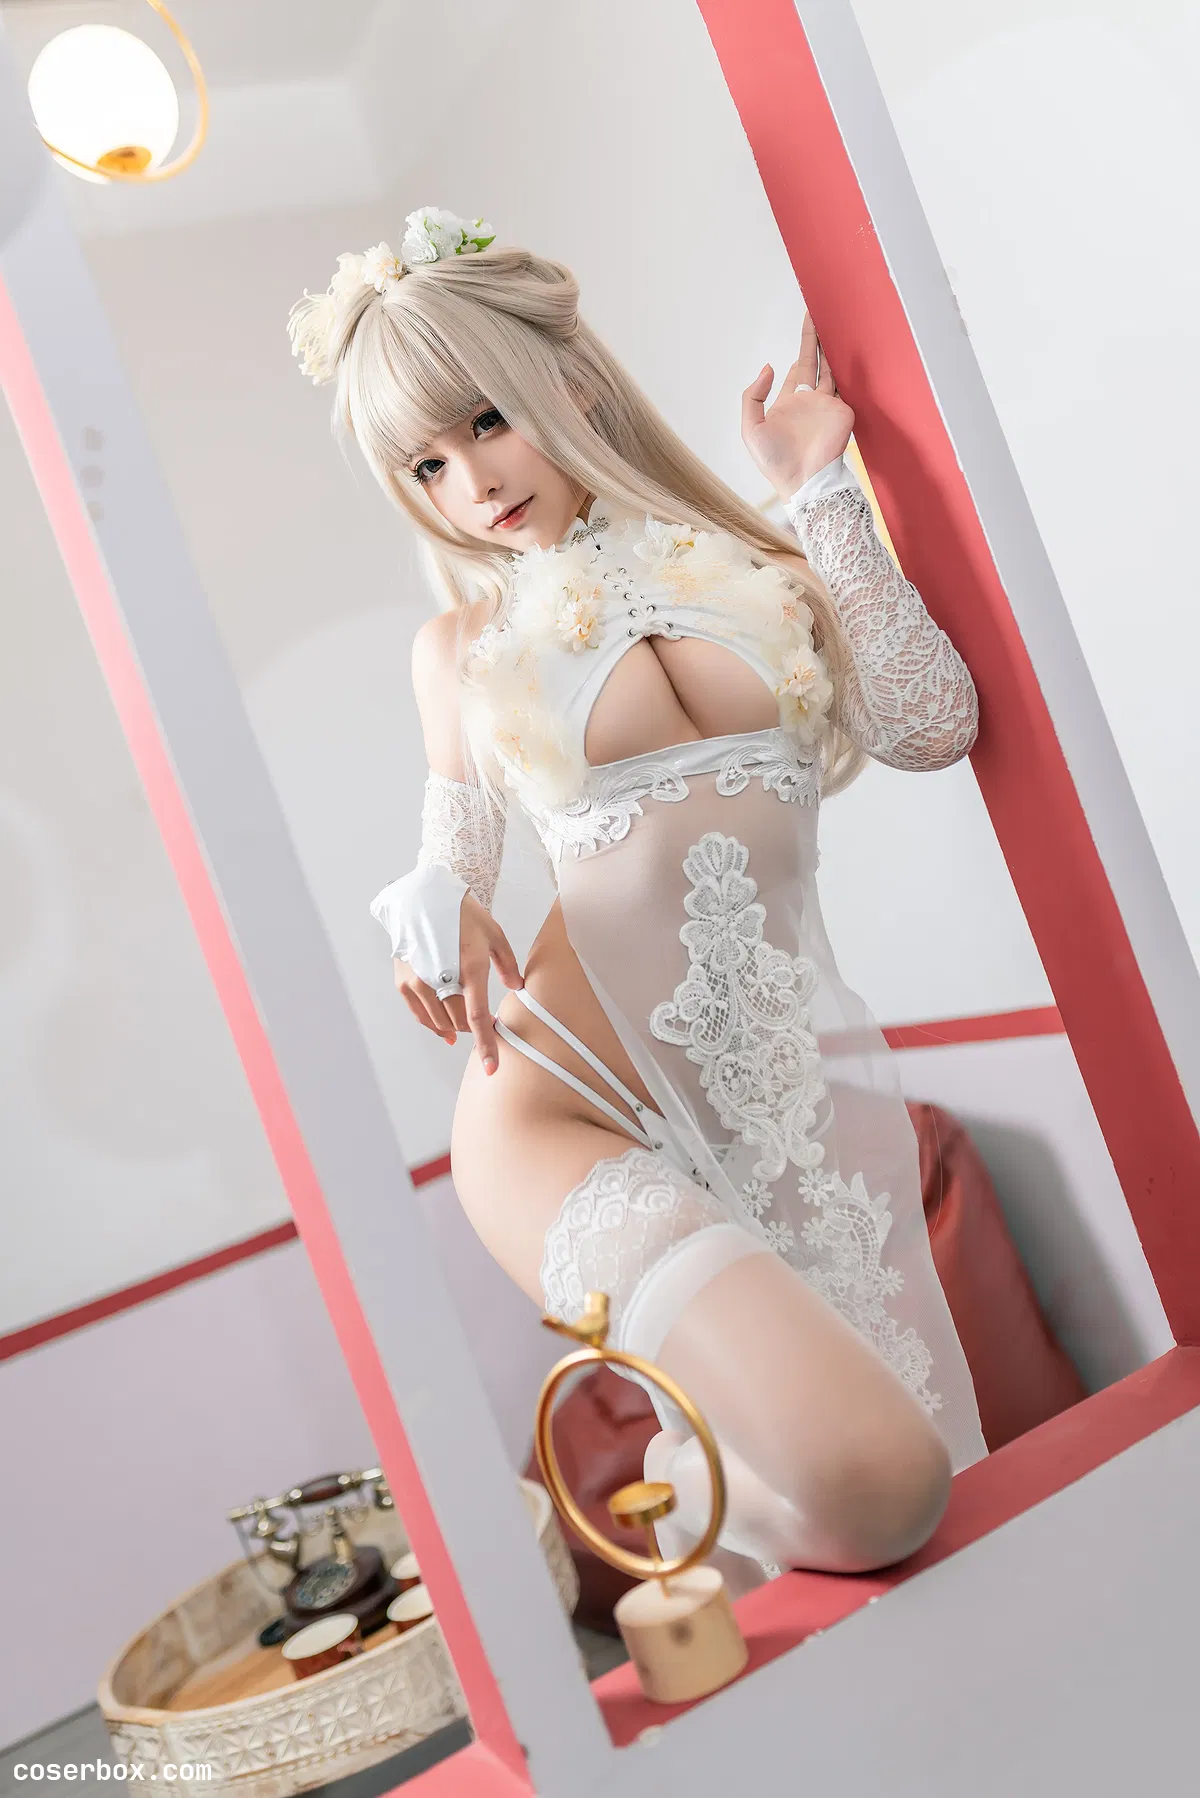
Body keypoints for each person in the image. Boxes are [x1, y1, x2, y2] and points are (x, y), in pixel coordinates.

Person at [288, 205, 987, 1591]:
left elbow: (931, 723)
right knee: (881, 1483)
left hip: (762, 1106)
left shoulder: (768, 570)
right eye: (426, 463)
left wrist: (820, 487)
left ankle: (705, 1510)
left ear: (573, 382)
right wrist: (433, 903)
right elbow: (456, 857)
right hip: (556, 1117)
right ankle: (693, 1508)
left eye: (486, 419)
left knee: (923, 1476)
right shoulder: (462, 649)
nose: (471, 481)